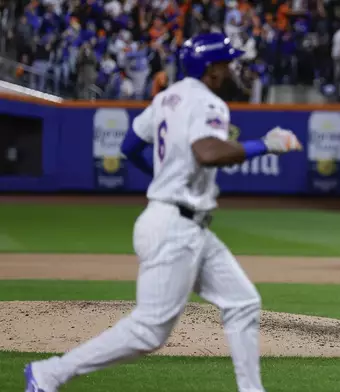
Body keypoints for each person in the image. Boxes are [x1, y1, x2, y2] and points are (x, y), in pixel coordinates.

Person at [24, 33, 303, 392]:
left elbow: (130, 146)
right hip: (175, 228)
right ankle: (49, 374)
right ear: (212, 69)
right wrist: (264, 145)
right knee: (149, 330)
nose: (231, 68)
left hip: (185, 224)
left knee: (242, 302)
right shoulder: (209, 102)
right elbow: (207, 152)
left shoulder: (166, 98)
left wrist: (165, 173)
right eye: (226, 62)